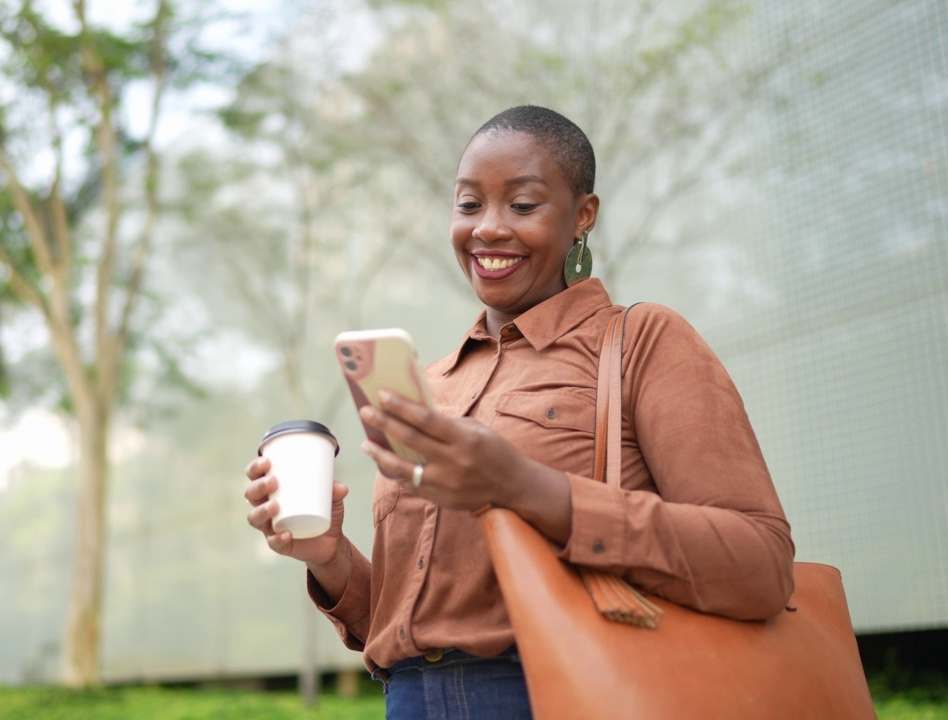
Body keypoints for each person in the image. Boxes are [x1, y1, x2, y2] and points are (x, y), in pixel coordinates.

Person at [243, 105, 795, 719]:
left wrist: (522, 485)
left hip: (568, 691)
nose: (488, 229)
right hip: (409, 701)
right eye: (469, 204)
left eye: (524, 205)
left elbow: (760, 565)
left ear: (583, 216)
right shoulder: (430, 386)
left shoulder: (642, 342)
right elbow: (419, 627)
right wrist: (329, 555)